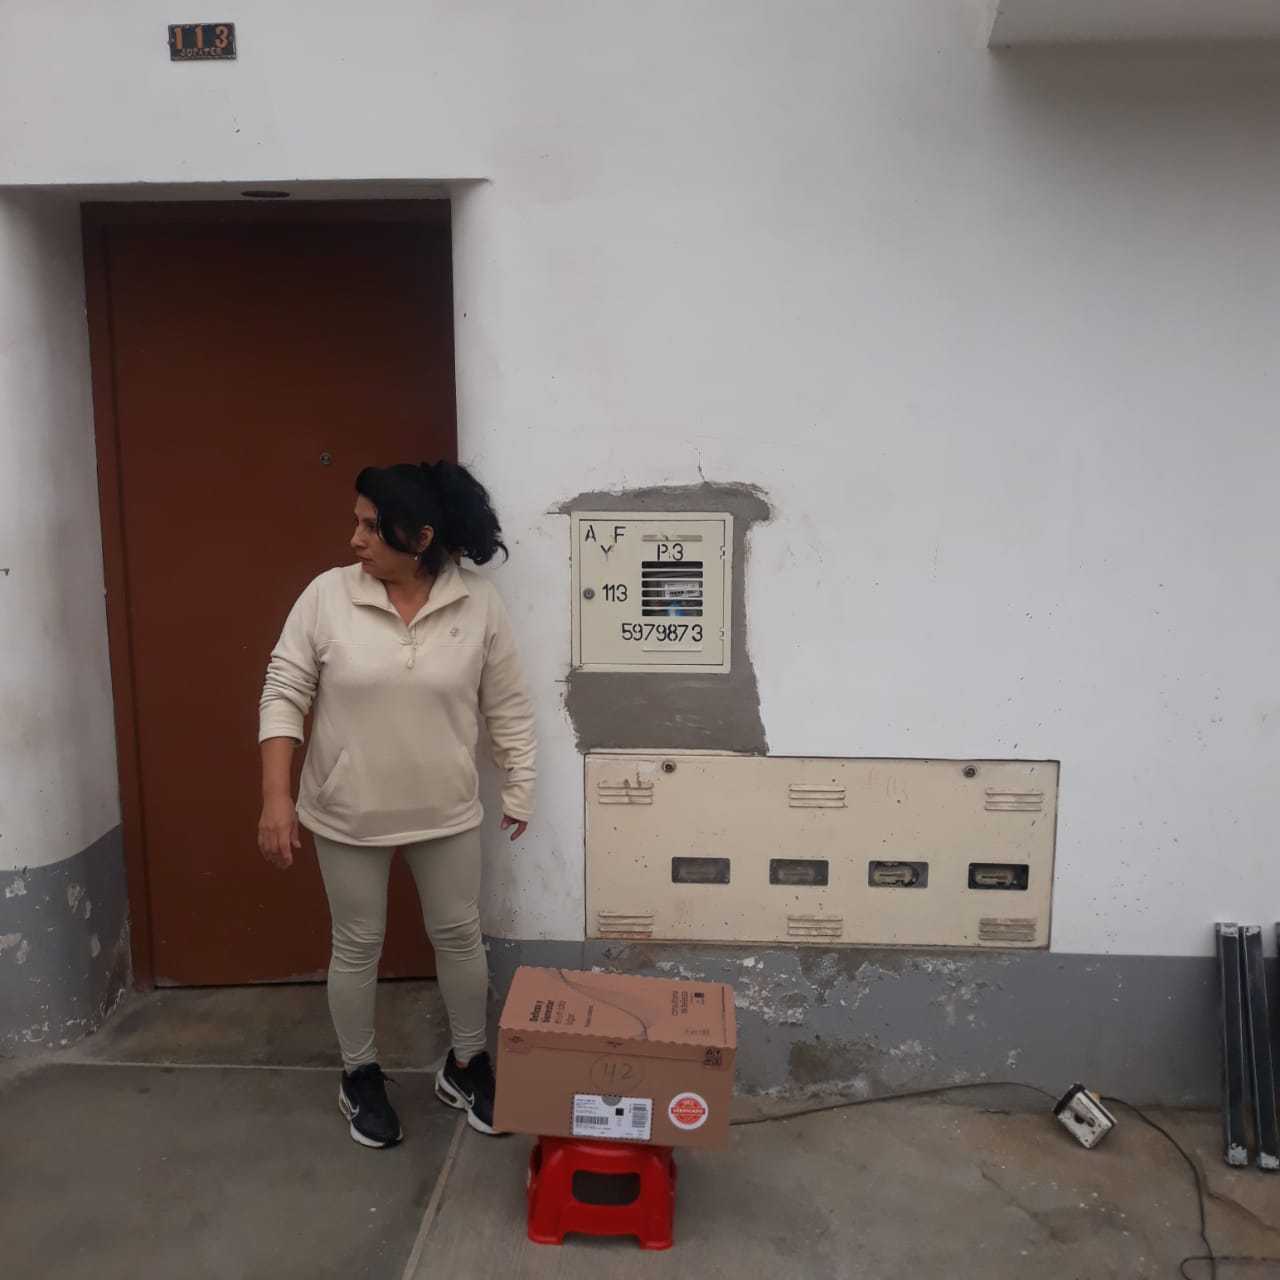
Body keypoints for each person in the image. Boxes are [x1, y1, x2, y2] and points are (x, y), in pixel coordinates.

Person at [256, 461, 536, 1147]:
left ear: (421, 537)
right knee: (357, 944)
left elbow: (507, 704)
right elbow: (283, 692)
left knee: (459, 936)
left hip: (446, 811)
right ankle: (360, 1074)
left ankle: (467, 1064)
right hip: (347, 812)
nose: (354, 538)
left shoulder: (477, 605)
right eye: (356, 522)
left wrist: (520, 783)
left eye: (371, 527)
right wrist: (275, 799)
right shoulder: (327, 597)